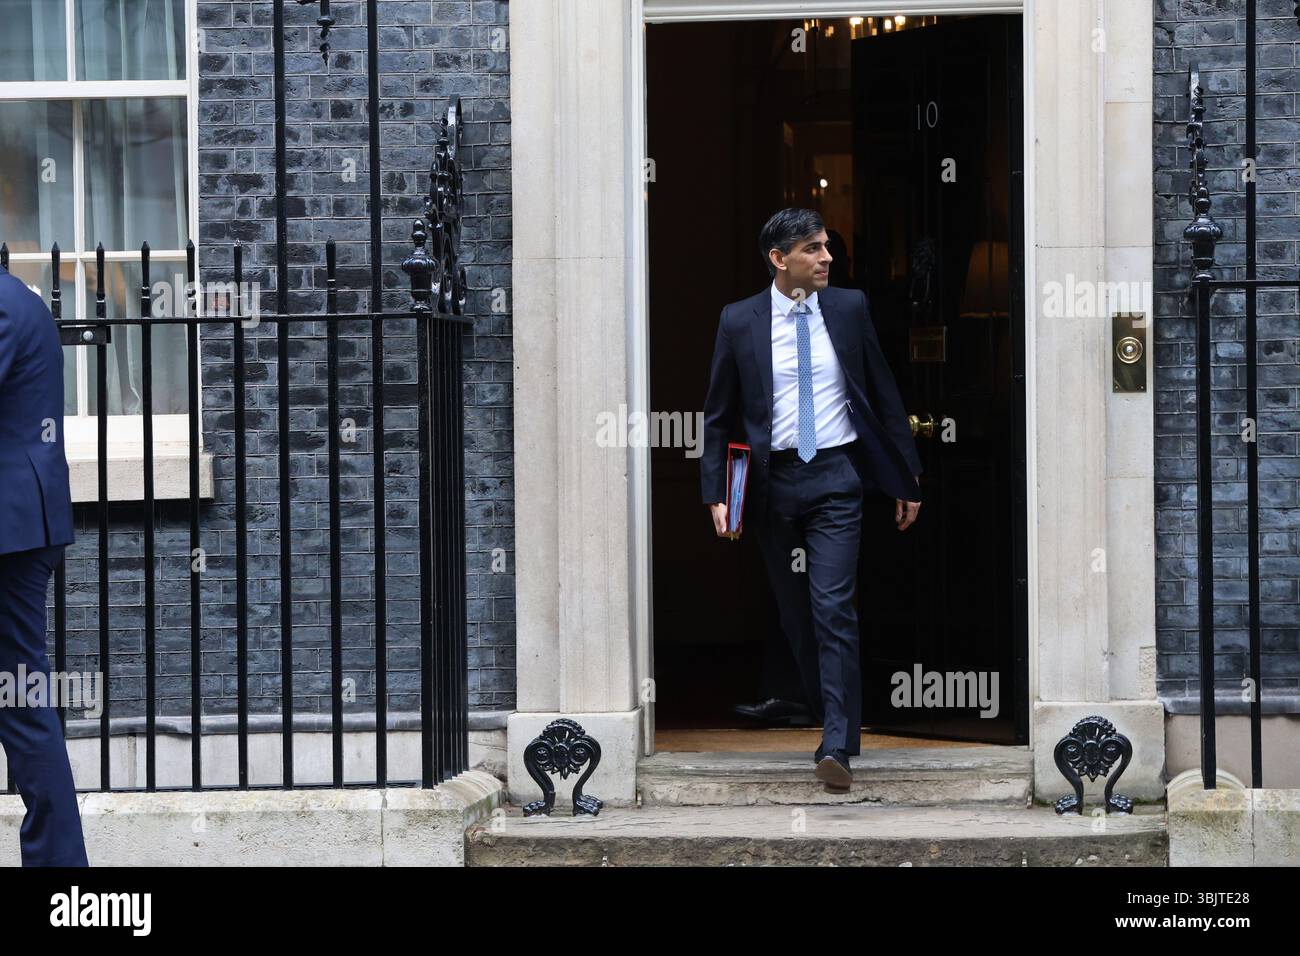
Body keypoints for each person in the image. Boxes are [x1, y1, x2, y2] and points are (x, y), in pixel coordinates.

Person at [700, 208, 922, 793]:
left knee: (833, 607)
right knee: (796, 615)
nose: (827, 257)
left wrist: (906, 477)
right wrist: (717, 492)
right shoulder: (738, 321)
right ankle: (828, 717)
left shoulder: (849, 309)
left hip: (836, 478)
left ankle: (838, 741)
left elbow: (881, 390)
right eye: (813, 249)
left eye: (826, 247)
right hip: (772, 486)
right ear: (779, 259)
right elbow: (719, 416)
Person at [0, 260, 89, 865]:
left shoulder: (4, 305)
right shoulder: (17, 299)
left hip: (11, 534)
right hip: (19, 527)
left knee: (23, 703)